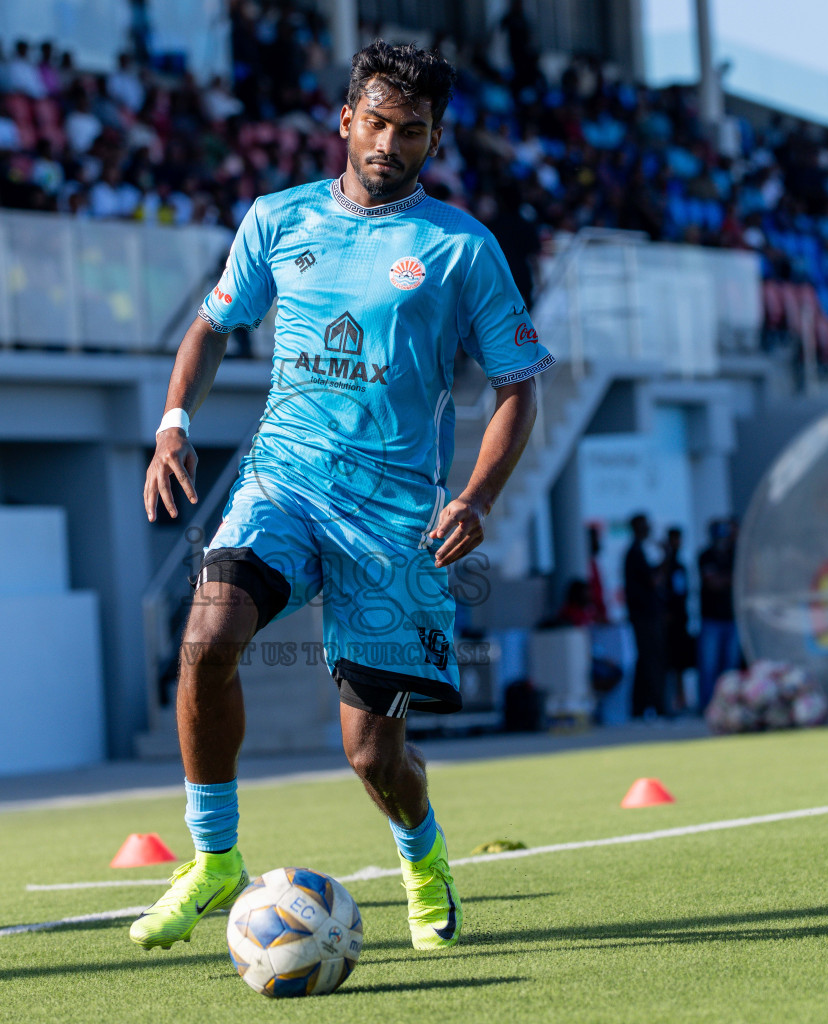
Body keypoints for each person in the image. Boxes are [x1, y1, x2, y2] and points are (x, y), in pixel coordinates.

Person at [133, 41, 553, 953]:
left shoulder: (460, 249)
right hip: (283, 482)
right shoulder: (277, 220)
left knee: (374, 756)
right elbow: (210, 327)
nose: (389, 143)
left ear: (433, 139)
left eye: (412, 130)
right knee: (206, 638)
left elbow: (519, 386)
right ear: (345, 119)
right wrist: (173, 424)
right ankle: (213, 859)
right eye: (377, 121)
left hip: (397, 521)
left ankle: (423, 852)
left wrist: (478, 497)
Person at [624, 512, 666, 718]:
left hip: (645, 615)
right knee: (651, 661)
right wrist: (667, 557)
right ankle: (656, 707)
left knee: (647, 661)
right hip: (644, 617)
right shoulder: (634, 553)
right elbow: (652, 581)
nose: (648, 529)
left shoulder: (637, 551)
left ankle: (640, 708)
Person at [696, 517, 739, 710]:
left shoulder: (734, 555)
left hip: (732, 618)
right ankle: (707, 706)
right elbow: (713, 583)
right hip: (712, 620)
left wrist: (727, 579)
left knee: (731, 667)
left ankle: (729, 706)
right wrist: (729, 579)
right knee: (709, 666)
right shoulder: (706, 556)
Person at [660, 525, 693, 714]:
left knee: (681, 664)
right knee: (669, 664)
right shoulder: (666, 566)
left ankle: (681, 700)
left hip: (681, 620)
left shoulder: (680, 565)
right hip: (669, 623)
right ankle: (670, 703)